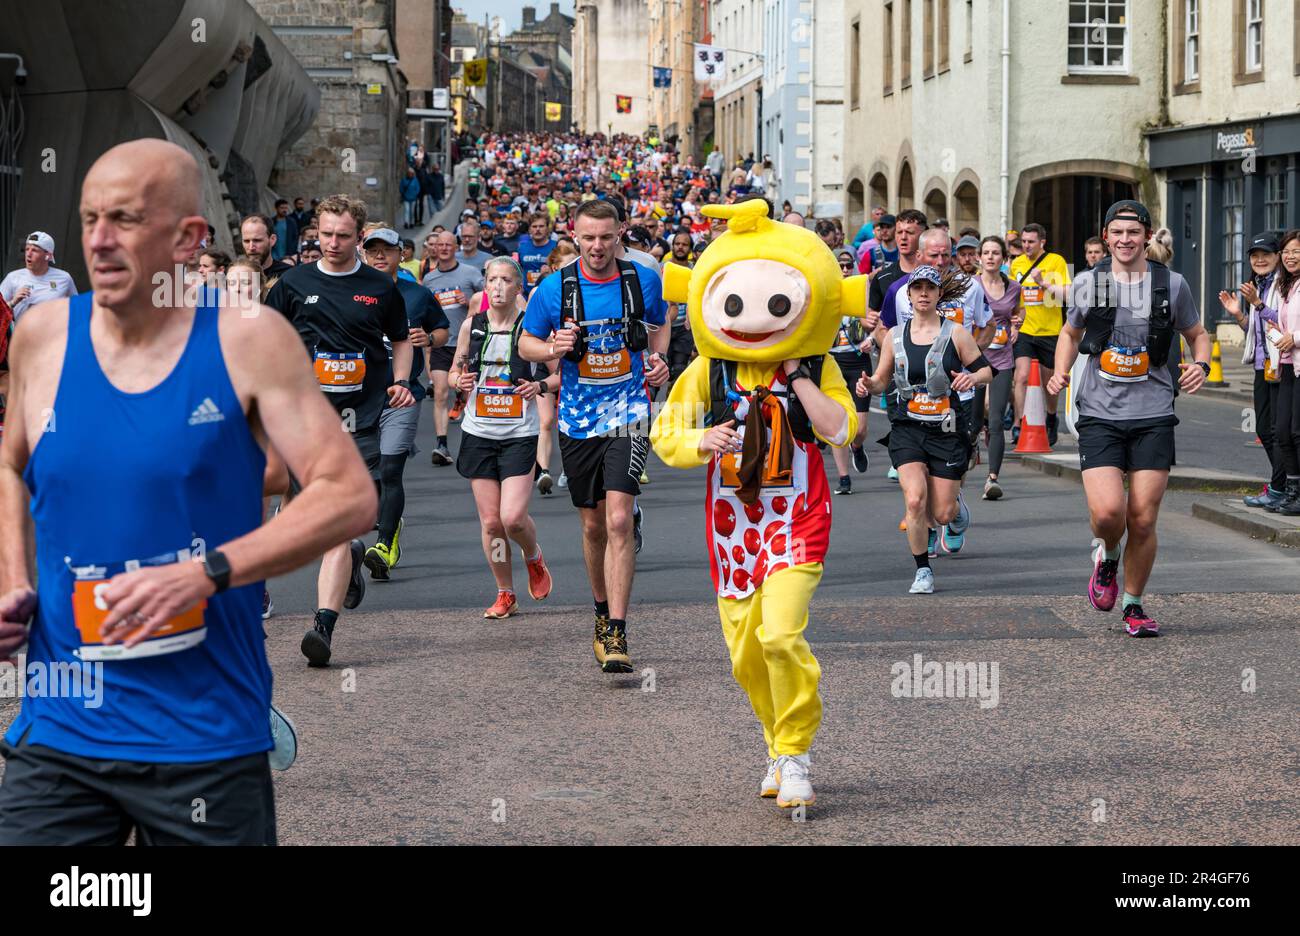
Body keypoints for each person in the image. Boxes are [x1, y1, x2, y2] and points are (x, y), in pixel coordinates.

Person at [0, 139, 376, 845]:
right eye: (88, 220)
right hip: (61, 731)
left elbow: (348, 494)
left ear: (189, 239)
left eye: (125, 220)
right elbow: (8, 464)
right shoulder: (43, 336)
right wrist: (11, 583)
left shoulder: (247, 341)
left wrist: (208, 573)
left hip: (203, 738)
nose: (100, 242)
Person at [651, 199, 866, 810]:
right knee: (746, 652)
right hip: (731, 530)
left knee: (780, 635)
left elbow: (841, 430)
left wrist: (798, 376)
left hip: (797, 521)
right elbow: (667, 433)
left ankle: (796, 750)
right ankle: (775, 741)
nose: (752, 318)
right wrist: (702, 439)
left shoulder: (819, 366)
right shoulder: (709, 371)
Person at [518, 199, 670, 673]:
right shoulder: (555, 286)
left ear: (621, 232)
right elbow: (526, 341)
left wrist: (659, 362)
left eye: (607, 236)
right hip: (578, 418)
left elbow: (660, 322)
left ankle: (619, 632)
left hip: (629, 410)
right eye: (589, 238)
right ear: (575, 235)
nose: (598, 246)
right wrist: (550, 348)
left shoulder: (641, 279)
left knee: (620, 519)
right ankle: (601, 612)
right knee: (593, 525)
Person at [1048, 199, 1211, 637]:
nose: (1125, 240)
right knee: (1107, 514)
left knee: (1142, 517)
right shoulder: (1090, 284)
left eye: (1133, 233)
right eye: (1116, 233)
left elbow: (1197, 334)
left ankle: (1134, 604)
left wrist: (1202, 364)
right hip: (1099, 412)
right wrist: (1061, 371)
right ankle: (1107, 555)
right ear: (1106, 237)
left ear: (1146, 236)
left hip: (1154, 413)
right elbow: (1070, 332)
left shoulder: (1171, 285)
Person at [265, 194, 416, 665]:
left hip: (362, 421)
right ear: (315, 233)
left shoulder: (379, 287)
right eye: (325, 234)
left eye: (343, 236)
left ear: (358, 235)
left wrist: (399, 381)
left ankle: (322, 629)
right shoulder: (293, 284)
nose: (333, 243)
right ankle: (350, 554)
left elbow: (400, 339)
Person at [857, 265, 993, 594]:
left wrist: (971, 378)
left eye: (929, 289)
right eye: (916, 288)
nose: (922, 294)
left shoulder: (956, 333)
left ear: (938, 294)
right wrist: (868, 385)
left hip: (947, 427)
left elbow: (986, 371)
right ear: (909, 294)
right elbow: (882, 379)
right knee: (915, 501)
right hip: (908, 428)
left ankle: (957, 511)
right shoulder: (894, 335)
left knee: (942, 514)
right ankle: (923, 570)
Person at [449, 257, 556, 616]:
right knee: (491, 522)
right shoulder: (471, 327)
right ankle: (505, 592)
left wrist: (539, 384)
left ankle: (533, 555)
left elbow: (560, 377)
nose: (497, 287)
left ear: (518, 287)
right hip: (478, 433)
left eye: (506, 280)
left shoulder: (533, 329)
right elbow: (454, 371)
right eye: (492, 279)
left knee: (512, 518)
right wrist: (457, 381)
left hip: (518, 434)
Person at [359, 227, 449, 580]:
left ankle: (383, 543)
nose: (380, 256)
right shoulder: (353, 293)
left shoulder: (417, 294)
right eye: (373, 251)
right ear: (364, 255)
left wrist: (428, 337)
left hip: (403, 393)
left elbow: (442, 330)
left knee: (391, 469)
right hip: (360, 397)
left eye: (387, 251)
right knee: (371, 477)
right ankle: (391, 521)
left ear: (401, 254)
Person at [1219, 233, 1286, 509]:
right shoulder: (1257, 285)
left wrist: (1258, 303)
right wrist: (1239, 314)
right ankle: (1284, 485)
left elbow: (1283, 323)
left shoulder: (1284, 286)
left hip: (1283, 363)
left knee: (1280, 431)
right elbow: (1256, 333)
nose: (1259, 259)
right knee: (1264, 429)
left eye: (1266, 254)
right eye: (1255, 255)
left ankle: (1282, 487)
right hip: (1263, 365)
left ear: (1278, 257)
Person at [422, 231, 485, 466]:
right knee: (440, 393)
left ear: (455, 247)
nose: (445, 248)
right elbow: (426, 312)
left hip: (467, 344)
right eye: (440, 245)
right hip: (441, 344)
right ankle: (441, 444)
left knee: (469, 395)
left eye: (449, 244)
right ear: (434, 249)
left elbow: (487, 300)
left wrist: (468, 303)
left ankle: (472, 441)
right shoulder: (429, 280)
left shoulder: (470, 273)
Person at [1010, 223, 1072, 447]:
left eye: (1031, 242)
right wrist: (1012, 321)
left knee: (1049, 381)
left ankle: (1051, 416)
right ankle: (1019, 423)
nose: (1026, 246)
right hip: (1026, 329)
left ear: (1042, 242)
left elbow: (1067, 295)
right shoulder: (1016, 263)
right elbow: (1013, 296)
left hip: (1050, 330)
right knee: (1022, 376)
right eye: (1024, 241)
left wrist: (1043, 283)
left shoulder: (1056, 261)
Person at [975, 235, 1021, 500]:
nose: (991, 257)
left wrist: (1016, 325)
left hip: (1003, 359)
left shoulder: (1013, 287)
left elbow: (1019, 311)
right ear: (980, 258)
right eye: (987, 253)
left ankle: (992, 478)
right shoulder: (971, 286)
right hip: (975, 359)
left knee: (996, 420)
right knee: (973, 422)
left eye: (996, 253)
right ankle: (973, 439)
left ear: (1003, 259)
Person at [828, 249, 875, 493]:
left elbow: (878, 323)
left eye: (848, 265)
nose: (845, 270)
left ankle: (857, 447)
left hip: (859, 363)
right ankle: (844, 477)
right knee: (838, 425)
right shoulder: (825, 291)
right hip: (833, 363)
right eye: (840, 266)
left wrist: (873, 338)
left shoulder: (864, 292)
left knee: (860, 428)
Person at [1, 232, 79, 322]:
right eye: (27, 249)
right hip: (22, 335)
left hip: (54, 335)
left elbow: (77, 310)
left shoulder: (64, 278)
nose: (28, 254)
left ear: (48, 255)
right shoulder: (13, 278)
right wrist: (13, 302)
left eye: (34, 250)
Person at [240, 214, 294, 298]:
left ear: (272, 240)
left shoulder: (288, 275)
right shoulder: (233, 275)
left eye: (257, 240)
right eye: (246, 241)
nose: (251, 247)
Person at [517, 213, 559, 295]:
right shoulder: (522, 248)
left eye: (541, 226)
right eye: (534, 226)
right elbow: (519, 271)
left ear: (547, 229)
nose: (538, 229)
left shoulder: (556, 246)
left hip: (549, 293)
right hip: (526, 295)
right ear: (529, 229)